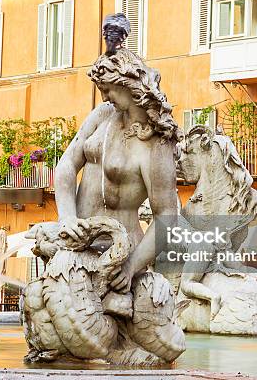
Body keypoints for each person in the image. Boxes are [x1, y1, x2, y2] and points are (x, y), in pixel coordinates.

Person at [54, 16, 183, 303]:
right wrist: (66, 217)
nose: (104, 96)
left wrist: (132, 265)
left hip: (121, 255)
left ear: (127, 85)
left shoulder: (156, 144)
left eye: (108, 89)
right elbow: (65, 167)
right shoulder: (102, 117)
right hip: (77, 243)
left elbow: (167, 218)